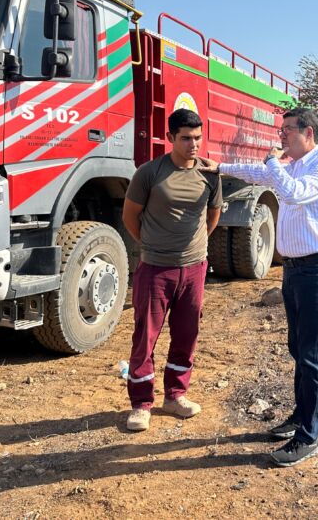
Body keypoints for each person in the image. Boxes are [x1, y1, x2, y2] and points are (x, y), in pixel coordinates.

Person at [200, 107, 318, 467]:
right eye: (281, 131)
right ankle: (300, 416)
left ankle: (309, 437)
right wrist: (220, 167)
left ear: (308, 133)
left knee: (311, 352)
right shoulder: (292, 163)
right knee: (297, 345)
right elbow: (257, 172)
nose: (281, 136)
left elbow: (293, 194)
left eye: (288, 130)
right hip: (296, 270)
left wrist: (273, 162)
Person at [121, 108, 223, 432]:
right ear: (170, 138)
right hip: (155, 269)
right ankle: (141, 404)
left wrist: (196, 249)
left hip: (193, 270)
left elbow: (213, 213)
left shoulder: (210, 174)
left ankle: (176, 395)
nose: (193, 144)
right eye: (186, 138)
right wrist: (154, 246)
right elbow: (130, 217)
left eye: (197, 137)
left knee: (186, 335)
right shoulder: (149, 174)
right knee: (144, 339)